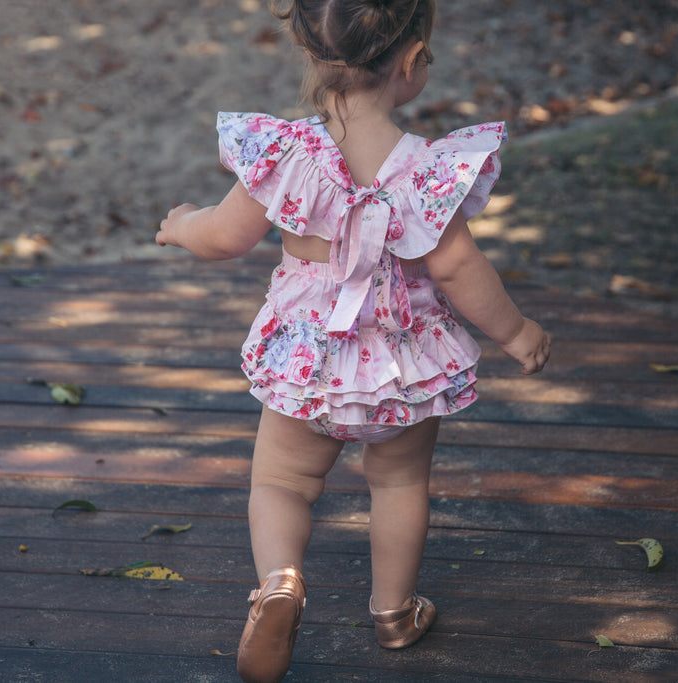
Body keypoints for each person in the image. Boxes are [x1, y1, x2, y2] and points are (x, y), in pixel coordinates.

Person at [155, 1, 550, 680]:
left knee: (281, 480)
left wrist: (181, 223)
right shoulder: (426, 172)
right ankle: (395, 612)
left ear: (312, 57)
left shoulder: (287, 155)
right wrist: (515, 331)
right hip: (400, 362)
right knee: (398, 483)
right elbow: (458, 267)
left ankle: (279, 583)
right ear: (411, 63)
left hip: (307, 362)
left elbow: (225, 236)